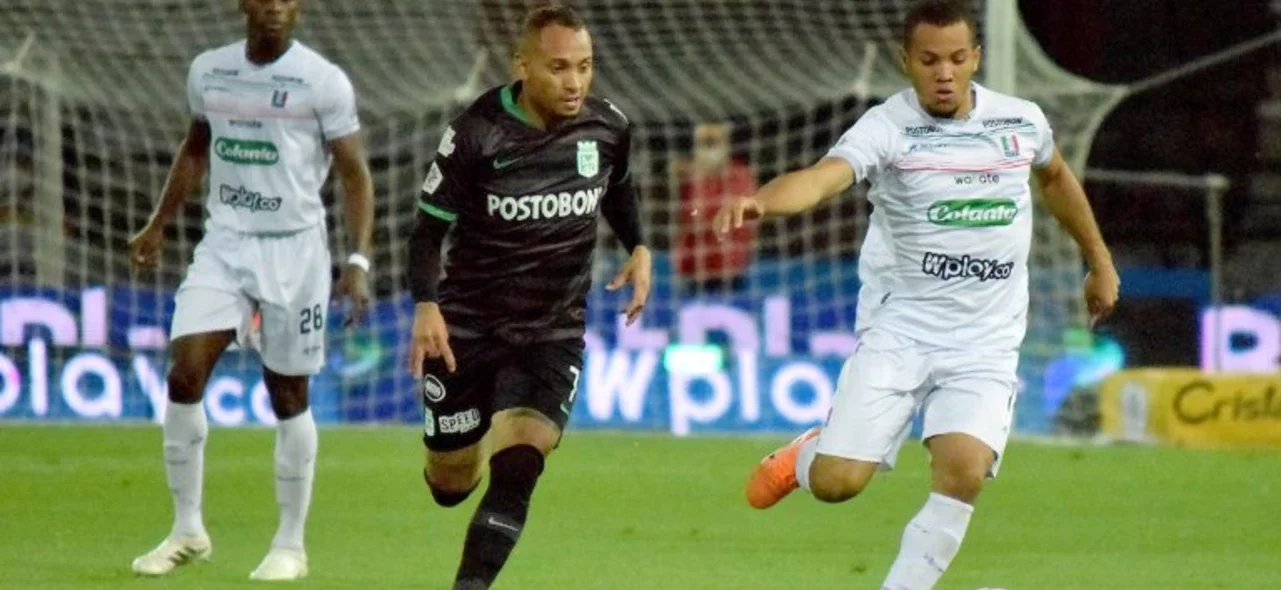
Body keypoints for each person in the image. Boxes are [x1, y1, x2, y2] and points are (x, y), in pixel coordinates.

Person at [712, 1, 1119, 588]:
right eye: (929, 60)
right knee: (837, 484)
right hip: (900, 331)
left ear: (976, 57)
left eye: (957, 58)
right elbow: (823, 177)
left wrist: (1099, 262)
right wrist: (764, 201)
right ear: (907, 61)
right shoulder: (888, 126)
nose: (945, 72)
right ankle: (807, 456)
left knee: (964, 472)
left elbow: (1055, 177)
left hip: (986, 340)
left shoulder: (1019, 121)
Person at [127, 0, 374, 581]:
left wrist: (358, 259)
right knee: (184, 373)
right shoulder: (209, 70)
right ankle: (187, 530)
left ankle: (290, 544)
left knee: (287, 394)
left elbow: (354, 174)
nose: (275, 10)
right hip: (225, 244)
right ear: (244, 4)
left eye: (287, 0)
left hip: (296, 251)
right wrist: (158, 224)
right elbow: (195, 148)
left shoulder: (322, 81)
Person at [407, 5, 651, 589]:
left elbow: (618, 190)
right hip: (467, 329)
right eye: (559, 68)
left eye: (585, 67)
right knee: (450, 485)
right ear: (523, 65)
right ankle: (474, 433)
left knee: (519, 465)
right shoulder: (476, 133)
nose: (575, 82)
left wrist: (640, 245)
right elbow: (427, 231)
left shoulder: (608, 127)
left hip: (552, 329)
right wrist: (425, 305)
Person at [672, 122, 758, 287]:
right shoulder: (689, 178)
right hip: (692, 269)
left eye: (713, 143)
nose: (709, 151)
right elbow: (686, 218)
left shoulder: (740, 175)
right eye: (705, 144)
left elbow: (738, 218)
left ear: (726, 144)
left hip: (730, 268)